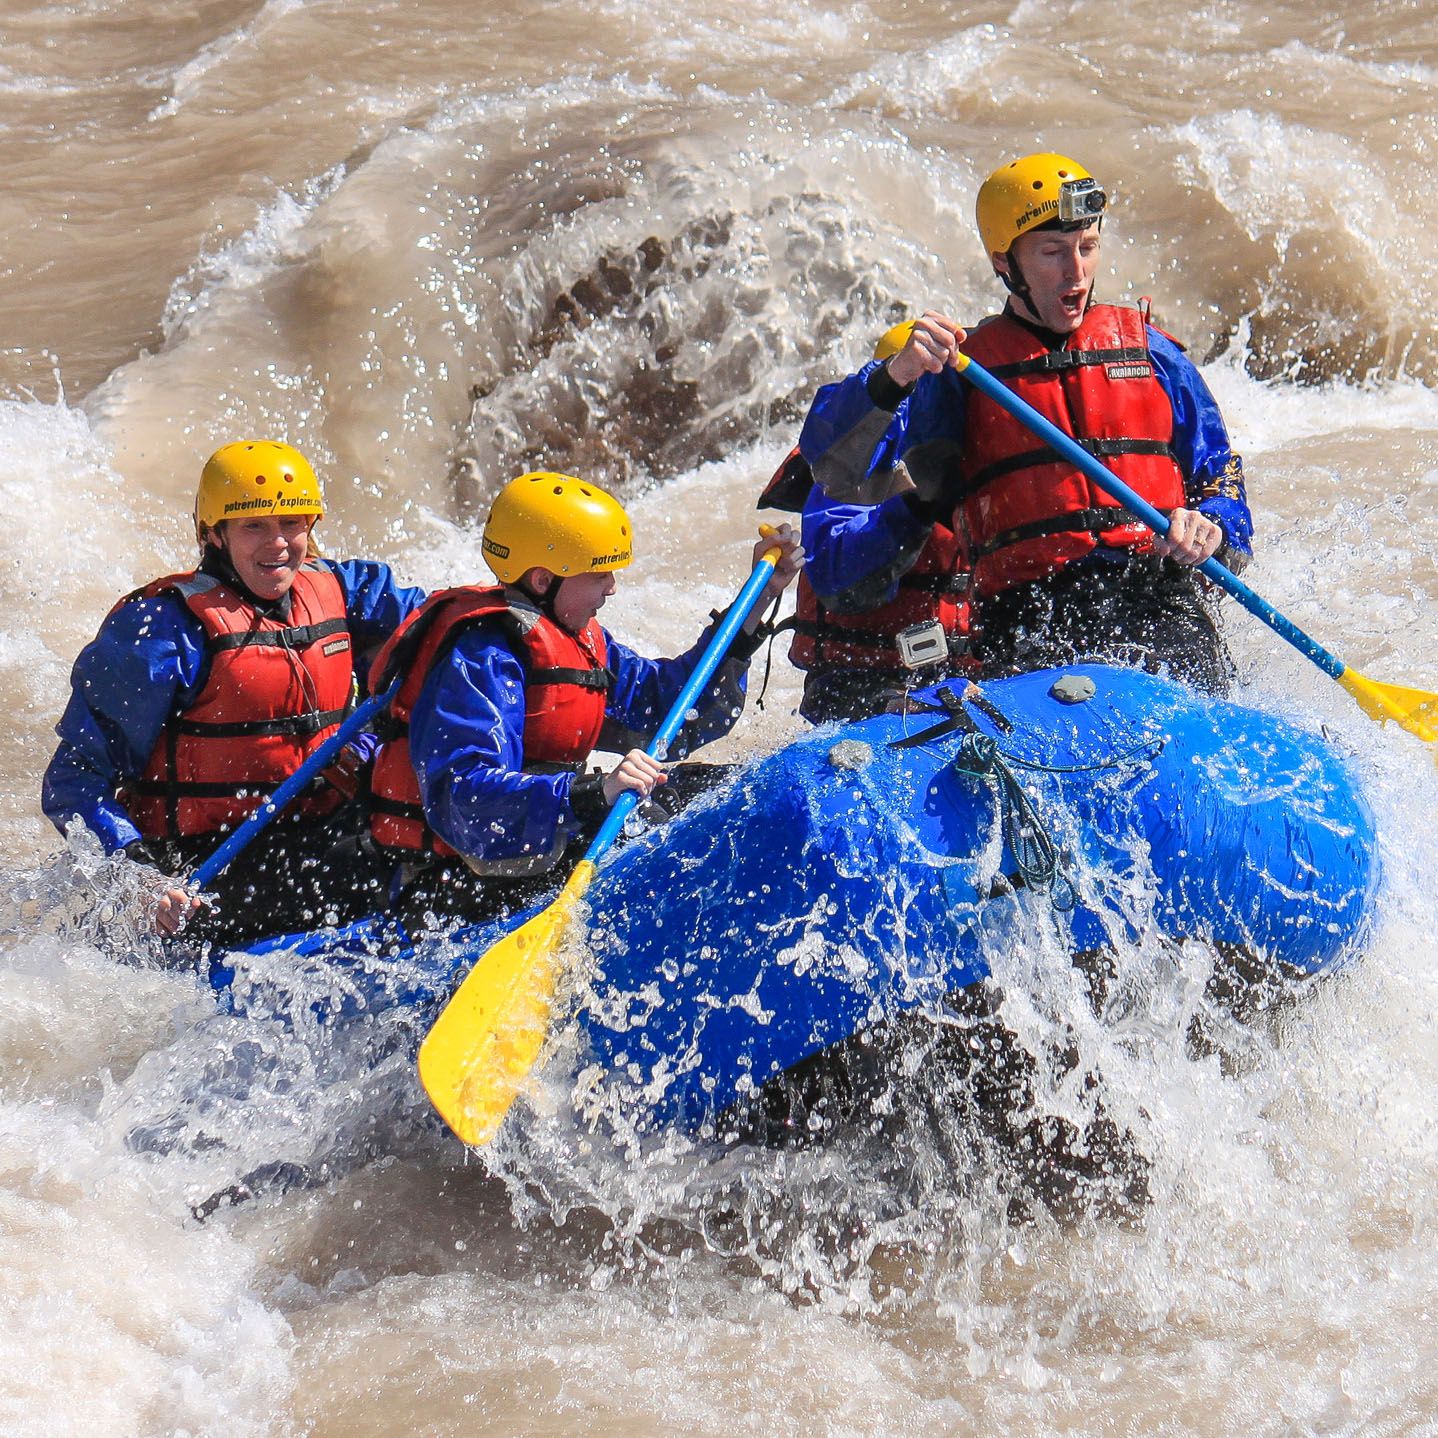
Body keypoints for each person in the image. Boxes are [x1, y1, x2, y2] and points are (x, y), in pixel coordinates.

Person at [797, 152, 1254, 701]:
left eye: (1088, 247)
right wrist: (895, 375)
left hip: (1163, 602)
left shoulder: (1152, 352)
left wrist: (1213, 522)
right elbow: (834, 463)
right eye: (1052, 252)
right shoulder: (960, 374)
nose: (1076, 271)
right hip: (1033, 621)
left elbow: (1219, 469)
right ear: (1004, 262)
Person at [366, 470, 803, 930]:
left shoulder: (576, 636)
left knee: (732, 791)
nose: (611, 587)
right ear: (542, 580)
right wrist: (596, 794)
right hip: (462, 886)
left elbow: (671, 709)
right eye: (599, 573)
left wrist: (758, 601)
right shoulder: (480, 658)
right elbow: (466, 800)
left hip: (539, 847)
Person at [42, 440, 426, 948]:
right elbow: (72, 783)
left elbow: (437, 641)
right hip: (206, 868)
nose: (279, 545)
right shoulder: (162, 634)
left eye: (292, 524)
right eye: (254, 527)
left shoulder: (346, 590)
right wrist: (138, 877)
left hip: (319, 829)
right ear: (213, 535)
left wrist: (371, 743)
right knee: (402, 860)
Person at [760, 320, 975, 723]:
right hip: (855, 682)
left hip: (956, 671)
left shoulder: (971, 442)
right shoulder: (845, 463)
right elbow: (835, 574)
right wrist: (915, 505)